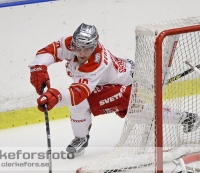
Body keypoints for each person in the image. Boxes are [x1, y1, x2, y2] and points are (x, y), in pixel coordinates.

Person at [29, 23, 200, 158]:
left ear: (94, 45)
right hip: (120, 78)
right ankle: (186, 118)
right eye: (77, 47)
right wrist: (38, 67)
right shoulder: (72, 44)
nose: (80, 52)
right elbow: (49, 50)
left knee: (83, 102)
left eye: (86, 48)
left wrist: (55, 96)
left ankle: (81, 138)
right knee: (138, 113)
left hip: (126, 85)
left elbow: (78, 93)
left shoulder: (97, 62)